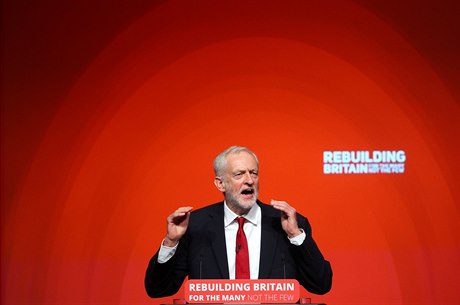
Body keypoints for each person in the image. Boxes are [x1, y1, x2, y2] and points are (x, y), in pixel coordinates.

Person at [145, 146, 332, 297]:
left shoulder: (288, 223)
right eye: (239, 174)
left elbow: (321, 285)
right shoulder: (194, 226)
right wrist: (170, 242)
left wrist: (296, 235)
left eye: (254, 173)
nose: (249, 180)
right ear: (220, 184)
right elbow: (158, 290)